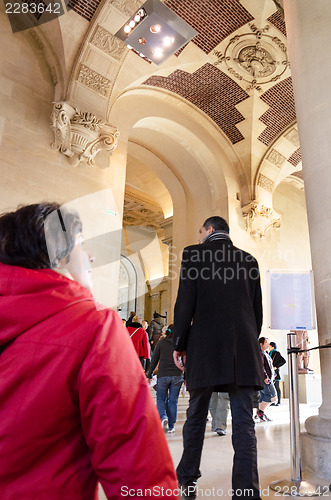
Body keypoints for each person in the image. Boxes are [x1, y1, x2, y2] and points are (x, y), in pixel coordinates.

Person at [0, 202, 178, 500]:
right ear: (56, 253)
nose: (91, 256)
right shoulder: (93, 326)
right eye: (81, 244)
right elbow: (137, 469)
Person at [173, 216, 264, 499]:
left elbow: (185, 302)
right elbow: (256, 312)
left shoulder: (193, 254)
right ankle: (246, 492)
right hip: (243, 350)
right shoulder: (249, 260)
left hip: (204, 348)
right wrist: (247, 340)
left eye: (201, 232)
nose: (199, 237)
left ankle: (187, 482)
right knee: (244, 421)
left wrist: (180, 343)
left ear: (210, 230)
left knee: (196, 417)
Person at [147, 324, 183, 433]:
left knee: (161, 398)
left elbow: (154, 360)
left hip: (163, 374)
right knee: (173, 400)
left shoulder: (161, 343)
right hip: (177, 374)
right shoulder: (180, 344)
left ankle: (163, 417)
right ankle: (171, 425)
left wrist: (150, 374)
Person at [257, 337, 277, 421]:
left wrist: (273, 376)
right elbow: (261, 366)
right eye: (266, 342)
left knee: (263, 396)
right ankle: (260, 412)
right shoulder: (260, 353)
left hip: (268, 378)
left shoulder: (265, 353)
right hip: (265, 379)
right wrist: (265, 377)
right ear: (261, 344)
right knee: (272, 396)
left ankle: (261, 414)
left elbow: (269, 367)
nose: (268, 344)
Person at [269, 341, 286, 405]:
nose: (269, 347)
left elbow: (283, 361)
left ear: (272, 347)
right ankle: (273, 401)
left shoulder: (276, 353)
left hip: (275, 373)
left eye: (270, 346)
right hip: (270, 373)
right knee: (272, 389)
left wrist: (276, 366)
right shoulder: (269, 353)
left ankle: (279, 401)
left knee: (277, 387)